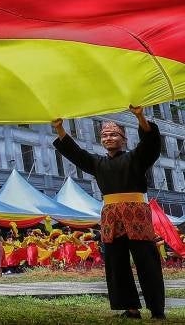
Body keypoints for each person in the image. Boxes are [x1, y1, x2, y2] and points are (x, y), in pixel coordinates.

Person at [52, 106, 165, 320]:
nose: (108, 138)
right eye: (104, 135)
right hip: (110, 216)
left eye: (113, 134)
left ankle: (157, 309)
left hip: (136, 214)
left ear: (123, 139)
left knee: (146, 260)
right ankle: (130, 308)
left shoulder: (137, 158)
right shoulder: (98, 163)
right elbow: (77, 154)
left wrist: (139, 116)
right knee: (116, 263)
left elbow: (150, 143)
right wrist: (60, 129)